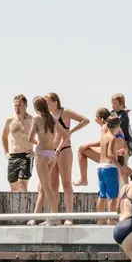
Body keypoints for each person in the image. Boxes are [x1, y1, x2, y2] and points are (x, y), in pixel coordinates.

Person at [44, 93, 90, 225]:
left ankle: (69, 216)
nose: (46, 105)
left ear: (55, 102)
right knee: (53, 185)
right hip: (51, 151)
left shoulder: (65, 112)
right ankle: (55, 217)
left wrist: (71, 131)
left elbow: (85, 120)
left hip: (64, 150)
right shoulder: (47, 116)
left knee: (66, 183)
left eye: (48, 102)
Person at [28, 96, 69, 223]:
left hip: (42, 155)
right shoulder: (53, 119)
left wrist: (37, 142)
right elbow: (66, 135)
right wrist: (57, 150)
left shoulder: (36, 118)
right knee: (42, 188)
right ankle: (34, 219)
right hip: (52, 155)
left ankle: (55, 218)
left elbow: (30, 138)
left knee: (46, 187)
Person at [97, 117, 128, 225]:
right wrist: (120, 167)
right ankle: (111, 219)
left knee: (102, 195)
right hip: (110, 168)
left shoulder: (103, 137)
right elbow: (110, 155)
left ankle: (100, 219)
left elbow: (106, 153)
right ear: (117, 127)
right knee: (113, 196)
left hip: (100, 167)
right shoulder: (113, 138)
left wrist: (118, 153)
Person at [2, 94, 34, 192]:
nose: (17, 107)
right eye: (15, 105)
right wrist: (6, 152)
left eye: (19, 105)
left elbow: (42, 137)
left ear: (25, 105)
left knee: (22, 184)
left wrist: (35, 152)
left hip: (26, 155)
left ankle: (25, 207)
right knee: (13, 188)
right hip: (13, 156)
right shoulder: (10, 120)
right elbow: (4, 136)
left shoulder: (32, 120)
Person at [74, 107, 111, 187]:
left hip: (108, 157)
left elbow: (103, 142)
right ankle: (83, 180)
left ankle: (83, 179)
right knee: (84, 148)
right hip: (111, 154)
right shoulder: (112, 124)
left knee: (81, 149)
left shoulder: (105, 126)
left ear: (100, 118)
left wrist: (88, 144)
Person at [111, 93, 132, 161]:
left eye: (114, 103)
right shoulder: (112, 112)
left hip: (126, 143)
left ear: (121, 103)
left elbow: (116, 123)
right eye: (112, 103)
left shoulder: (123, 114)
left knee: (123, 164)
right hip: (117, 142)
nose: (112, 105)